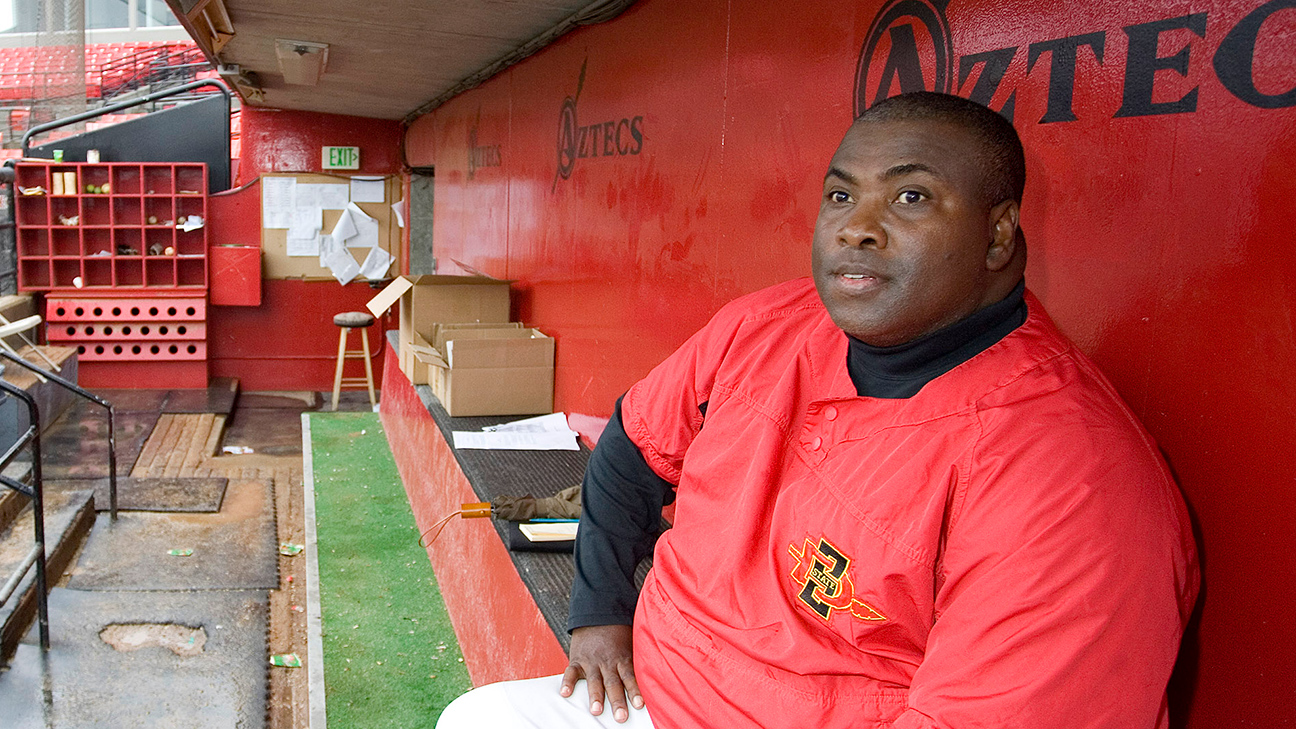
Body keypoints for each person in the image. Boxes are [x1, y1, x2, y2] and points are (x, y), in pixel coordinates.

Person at [437, 92, 1199, 729]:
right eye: (841, 194)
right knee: (473, 717)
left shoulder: (1073, 480)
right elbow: (631, 449)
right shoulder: (764, 324)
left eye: (910, 196)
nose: (856, 225)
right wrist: (599, 611)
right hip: (646, 690)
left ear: (999, 233)